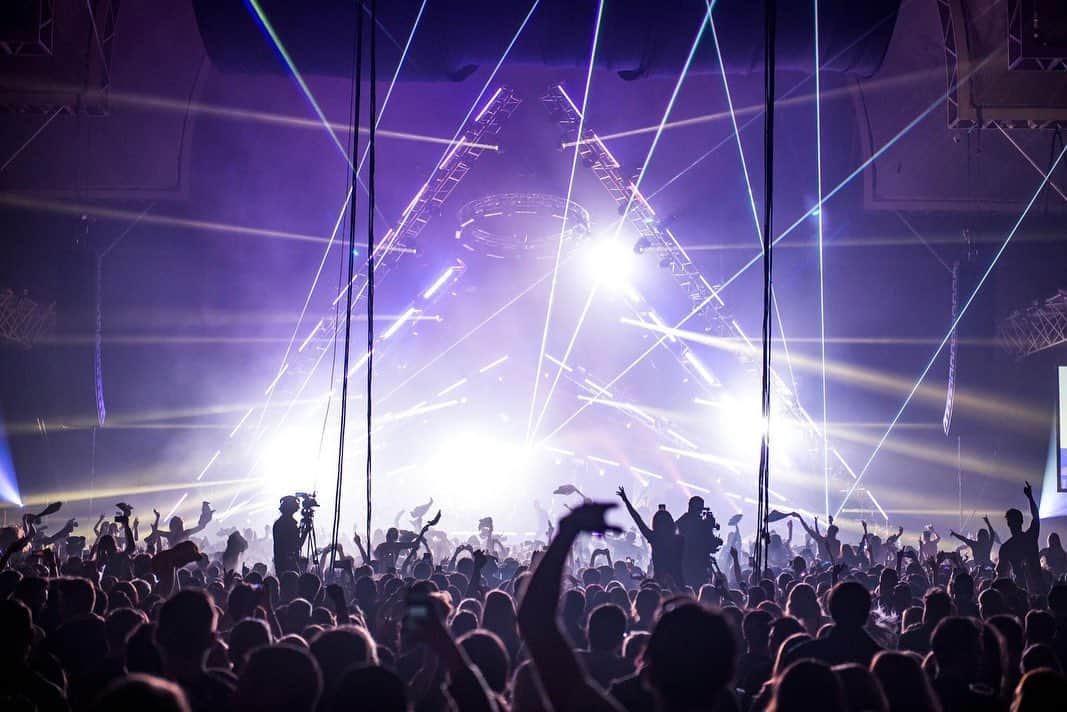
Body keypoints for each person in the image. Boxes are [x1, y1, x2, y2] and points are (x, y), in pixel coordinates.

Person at [616, 487, 684, 587]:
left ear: (655, 523)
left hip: (661, 580)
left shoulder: (654, 538)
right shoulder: (680, 539)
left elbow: (637, 519)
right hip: (678, 579)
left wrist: (626, 501)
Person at [998, 482, 1043, 592]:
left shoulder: (1006, 547)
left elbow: (1001, 572)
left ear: (1008, 524)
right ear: (1022, 521)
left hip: (1021, 590)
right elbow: (1036, 517)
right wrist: (1030, 497)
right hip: (1033, 587)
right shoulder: (1030, 537)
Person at [674, 496, 722, 588]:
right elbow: (710, 543)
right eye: (699, 509)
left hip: (683, 566)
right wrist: (709, 527)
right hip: (698, 567)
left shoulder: (681, 521)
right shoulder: (701, 524)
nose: (700, 512)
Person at [272, 496, 309, 576]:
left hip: (281, 564)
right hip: (288, 565)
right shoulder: (290, 524)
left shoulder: (279, 523)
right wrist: (305, 532)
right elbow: (297, 545)